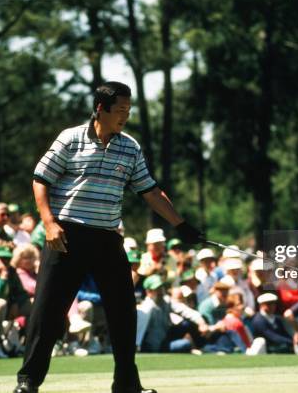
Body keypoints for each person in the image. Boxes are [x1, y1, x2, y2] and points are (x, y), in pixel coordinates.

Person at [14, 82, 203, 393]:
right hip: (67, 235)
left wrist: (180, 224)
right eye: (120, 111)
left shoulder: (129, 147)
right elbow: (40, 180)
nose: (125, 117)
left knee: (123, 313)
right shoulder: (70, 139)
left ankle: (127, 384)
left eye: (129, 111)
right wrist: (48, 223)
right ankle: (28, 382)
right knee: (48, 312)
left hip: (107, 237)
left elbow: (150, 191)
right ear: (100, 109)